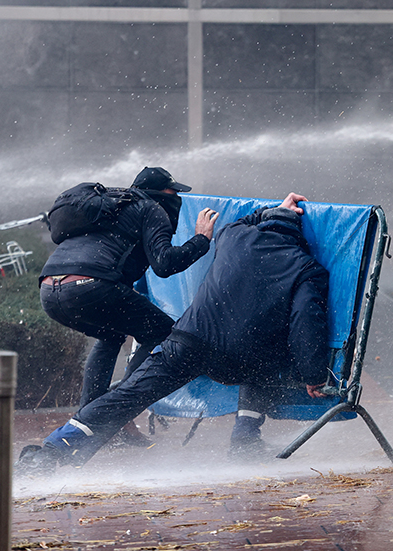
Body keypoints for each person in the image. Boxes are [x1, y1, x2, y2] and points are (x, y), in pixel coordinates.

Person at [17, 193, 330, 475]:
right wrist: (314, 374)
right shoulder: (307, 268)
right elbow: (306, 322)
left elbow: (246, 220)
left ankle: (50, 453)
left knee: (128, 396)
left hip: (186, 343)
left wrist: (274, 209)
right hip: (241, 360)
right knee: (270, 351)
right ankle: (245, 438)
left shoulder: (234, 236)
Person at [39, 167, 219, 444]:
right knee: (163, 334)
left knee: (110, 336)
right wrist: (201, 239)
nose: (177, 197)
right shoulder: (151, 208)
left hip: (50, 290)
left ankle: (90, 418)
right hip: (91, 287)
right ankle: (117, 412)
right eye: (174, 191)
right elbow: (165, 264)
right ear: (163, 192)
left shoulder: (109, 207)